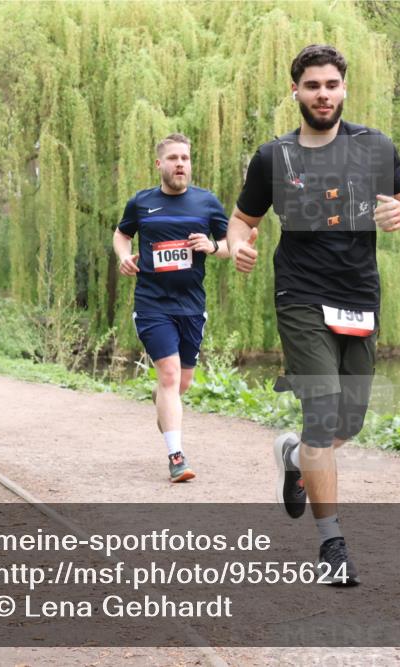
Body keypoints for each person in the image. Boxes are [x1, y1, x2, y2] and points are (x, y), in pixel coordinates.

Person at [226, 45, 400, 585]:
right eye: (312, 85)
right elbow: (242, 219)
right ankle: (332, 545)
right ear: (295, 91)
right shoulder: (274, 157)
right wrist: (238, 244)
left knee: (348, 423)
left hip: (359, 296)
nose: (322, 94)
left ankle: (294, 458)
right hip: (301, 295)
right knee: (321, 411)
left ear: (344, 89)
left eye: (331, 85)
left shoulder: (375, 146)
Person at [113, 133, 230, 483]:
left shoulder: (207, 202)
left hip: (192, 305)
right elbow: (122, 234)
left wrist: (212, 246)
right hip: (152, 303)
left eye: (185, 158)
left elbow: (230, 245)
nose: (181, 164)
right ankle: (176, 457)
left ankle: (163, 401)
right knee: (168, 374)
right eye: (174, 158)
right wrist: (124, 257)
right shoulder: (142, 202)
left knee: (181, 383)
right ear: (159, 164)